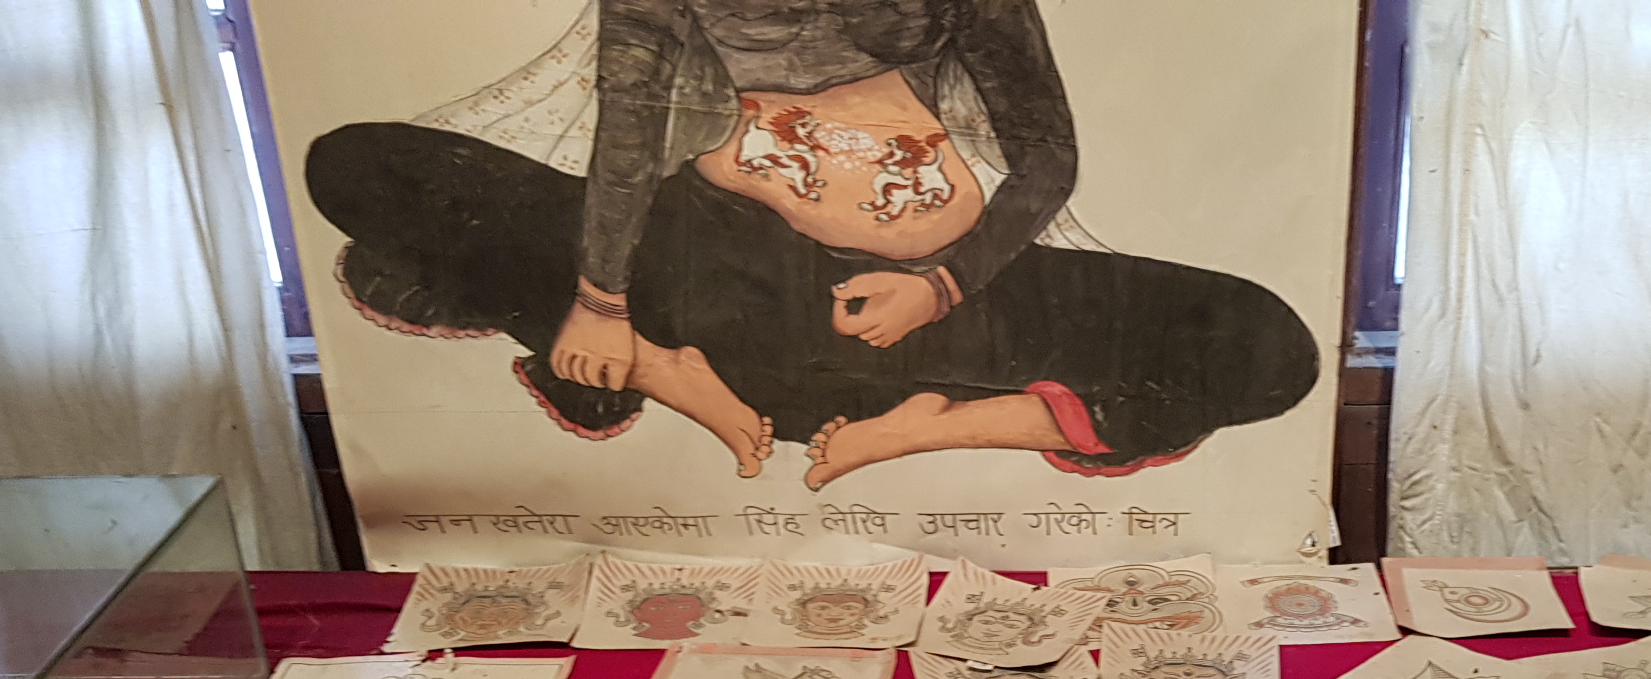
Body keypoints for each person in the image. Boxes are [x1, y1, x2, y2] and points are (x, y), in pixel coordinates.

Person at [306, 0, 1318, 486]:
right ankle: (656, 362)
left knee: (1267, 347)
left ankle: (923, 424)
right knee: (354, 164)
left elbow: (1046, 157)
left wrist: (941, 284)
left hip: (942, 292)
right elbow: (629, 133)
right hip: (713, 257)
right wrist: (603, 300)